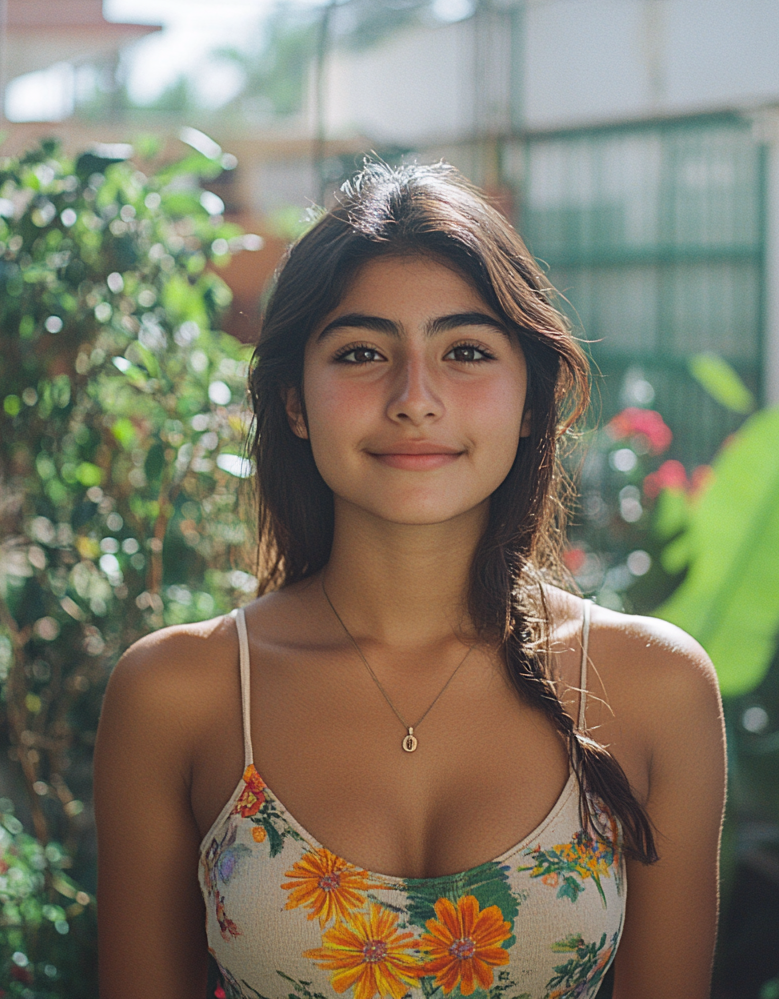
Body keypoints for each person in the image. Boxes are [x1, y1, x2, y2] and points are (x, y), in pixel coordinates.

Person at [93, 163, 726, 999]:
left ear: (532, 400)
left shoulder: (655, 687)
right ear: (294, 402)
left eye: (465, 351)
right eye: (362, 353)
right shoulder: (181, 694)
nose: (415, 398)